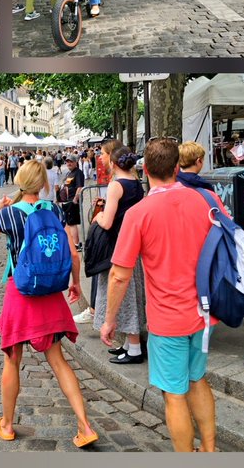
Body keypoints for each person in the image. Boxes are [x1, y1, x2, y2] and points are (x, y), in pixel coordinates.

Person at [100, 137, 229, 453]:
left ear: (145, 170)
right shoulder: (209, 199)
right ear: (176, 168)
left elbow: (119, 274)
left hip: (167, 318)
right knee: (198, 380)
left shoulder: (139, 213)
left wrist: (109, 320)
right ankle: (209, 450)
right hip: (204, 311)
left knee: (174, 394)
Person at [0, 159, 98, 448]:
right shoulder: (53, 209)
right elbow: (72, 253)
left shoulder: (10, 215)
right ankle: (85, 425)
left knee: (12, 360)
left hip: (22, 291)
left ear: (18, 181)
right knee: (58, 361)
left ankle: (5, 425)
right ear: (43, 185)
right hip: (51, 293)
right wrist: (75, 283)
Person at [90, 144, 146, 363]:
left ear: (113, 163)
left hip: (117, 245)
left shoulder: (115, 185)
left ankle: (134, 349)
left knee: (124, 297)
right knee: (132, 294)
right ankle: (128, 344)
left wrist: (98, 217)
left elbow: (108, 221)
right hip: (133, 243)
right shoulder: (136, 183)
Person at [57, 155, 85, 251]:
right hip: (67, 201)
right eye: (67, 162)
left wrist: (75, 199)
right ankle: (73, 243)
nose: (69, 163)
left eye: (71, 162)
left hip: (72, 201)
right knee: (69, 223)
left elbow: (80, 186)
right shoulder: (70, 172)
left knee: (72, 223)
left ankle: (76, 245)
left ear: (75, 162)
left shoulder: (78, 173)